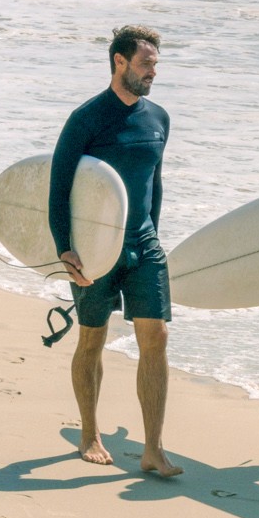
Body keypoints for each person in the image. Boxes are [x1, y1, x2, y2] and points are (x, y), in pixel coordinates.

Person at [48, 24, 181, 479]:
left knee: (157, 339)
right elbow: (59, 189)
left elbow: (155, 185)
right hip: (94, 249)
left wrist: (154, 236)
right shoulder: (86, 119)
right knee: (92, 338)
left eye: (155, 65)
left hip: (143, 246)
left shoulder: (158, 118)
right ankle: (89, 433)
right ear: (119, 62)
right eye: (146, 64)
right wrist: (65, 250)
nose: (153, 73)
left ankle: (153, 448)